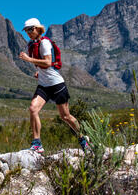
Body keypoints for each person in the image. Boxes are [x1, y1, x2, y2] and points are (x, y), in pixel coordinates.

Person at [18, 17, 89, 153]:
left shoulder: (44, 43)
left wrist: (28, 59)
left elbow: (48, 62)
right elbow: (43, 65)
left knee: (65, 116)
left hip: (56, 85)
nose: (28, 32)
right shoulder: (32, 44)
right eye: (26, 30)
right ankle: (37, 143)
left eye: (30, 29)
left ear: (38, 28)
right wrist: (39, 71)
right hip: (44, 85)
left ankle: (83, 138)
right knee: (33, 109)